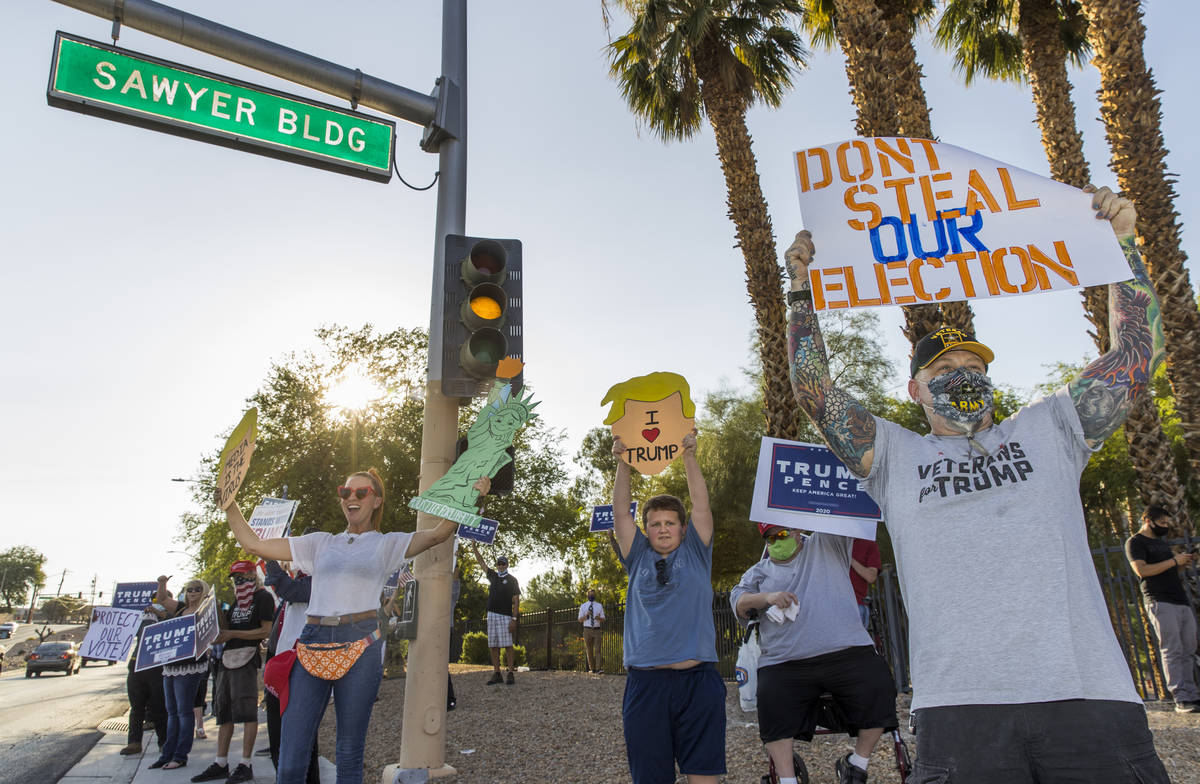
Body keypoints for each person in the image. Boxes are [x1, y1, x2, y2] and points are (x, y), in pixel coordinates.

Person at [782, 186, 1171, 781]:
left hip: (1089, 699)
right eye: (943, 369)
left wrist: (1120, 245)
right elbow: (815, 395)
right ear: (916, 389)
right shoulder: (893, 454)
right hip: (959, 711)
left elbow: (1136, 358)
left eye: (974, 368)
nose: (963, 376)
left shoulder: (1053, 426)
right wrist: (801, 293)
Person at [218, 468, 486, 784]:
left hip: (361, 645)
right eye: (346, 492)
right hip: (312, 642)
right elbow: (254, 545)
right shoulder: (319, 543)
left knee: (349, 755)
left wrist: (474, 497)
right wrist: (229, 502)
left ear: (376, 501)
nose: (352, 498)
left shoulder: (387, 544)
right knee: (290, 760)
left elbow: (439, 533)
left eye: (362, 493)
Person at [732, 524, 897, 784]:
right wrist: (768, 597)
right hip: (785, 661)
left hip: (847, 650)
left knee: (880, 685)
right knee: (771, 698)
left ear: (798, 531)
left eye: (784, 534)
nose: (778, 541)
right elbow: (739, 602)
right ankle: (787, 779)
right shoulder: (759, 572)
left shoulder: (826, 545)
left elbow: (837, 514)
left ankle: (857, 764)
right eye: (771, 537)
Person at [612, 428, 725, 784]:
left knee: (703, 776)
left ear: (682, 528)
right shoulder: (638, 555)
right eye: (655, 524)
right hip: (647, 685)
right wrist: (623, 463)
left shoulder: (697, 552)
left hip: (699, 682)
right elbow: (619, 514)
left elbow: (702, 504)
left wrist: (690, 456)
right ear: (645, 530)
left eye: (670, 523)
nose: (662, 529)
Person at [190, 562, 273, 784]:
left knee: (247, 712)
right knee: (224, 713)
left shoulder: (263, 598)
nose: (239, 580)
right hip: (226, 659)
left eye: (242, 575)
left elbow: (266, 630)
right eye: (235, 577)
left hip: (246, 659)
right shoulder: (238, 601)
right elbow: (226, 628)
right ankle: (221, 762)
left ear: (252, 574)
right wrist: (214, 611)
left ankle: (245, 764)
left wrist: (232, 633)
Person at [1126, 504, 1200, 712]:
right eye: (1162, 523)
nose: (1165, 526)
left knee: (1188, 650)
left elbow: (1166, 571)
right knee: (1172, 649)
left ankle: (1192, 696)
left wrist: (1180, 564)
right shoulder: (1135, 542)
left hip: (1180, 600)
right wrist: (1173, 561)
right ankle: (1180, 698)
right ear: (1148, 520)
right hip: (1159, 601)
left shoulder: (1161, 544)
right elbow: (1142, 570)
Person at [262, 559, 321, 782]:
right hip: (281, 668)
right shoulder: (297, 582)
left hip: (300, 668)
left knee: (300, 741)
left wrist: (269, 558)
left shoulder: (318, 582)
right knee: (278, 737)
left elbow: (292, 591)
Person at [147, 576, 212, 771]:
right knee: (172, 712)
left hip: (191, 666)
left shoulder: (205, 611)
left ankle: (180, 755)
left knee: (184, 711)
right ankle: (166, 754)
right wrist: (161, 584)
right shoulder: (180, 609)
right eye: (189, 589)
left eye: (197, 589)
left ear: (203, 592)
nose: (192, 592)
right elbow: (161, 599)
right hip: (171, 665)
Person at [119, 605, 168, 757]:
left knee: (159, 707)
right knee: (136, 707)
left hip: (156, 666)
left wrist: (158, 612)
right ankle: (134, 742)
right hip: (136, 665)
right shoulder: (138, 618)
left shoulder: (167, 618)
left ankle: (164, 743)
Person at [470, 543, 521, 685]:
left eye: (503, 563)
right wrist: (474, 547)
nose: (501, 565)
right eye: (499, 563)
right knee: (493, 645)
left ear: (507, 565)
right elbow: (481, 561)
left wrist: (514, 619)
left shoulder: (512, 580)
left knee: (508, 645)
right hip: (491, 615)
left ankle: (510, 673)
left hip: (506, 616)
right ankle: (497, 672)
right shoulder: (492, 576)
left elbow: (516, 601)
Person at [849, 539, 880, 629]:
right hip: (832, 604)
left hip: (856, 606)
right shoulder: (832, 542)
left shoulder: (868, 544)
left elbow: (871, 576)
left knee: (853, 642)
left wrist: (850, 559)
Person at [578, 588, 606, 674]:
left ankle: (598, 669)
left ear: (595, 595)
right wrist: (586, 616)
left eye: (593, 594)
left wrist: (599, 618)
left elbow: (604, 619)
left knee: (598, 650)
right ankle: (592, 669)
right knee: (589, 650)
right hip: (587, 630)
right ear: (587, 595)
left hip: (597, 630)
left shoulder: (599, 605)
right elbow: (579, 620)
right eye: (590, 594)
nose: (591, 595)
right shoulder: (583, 606)